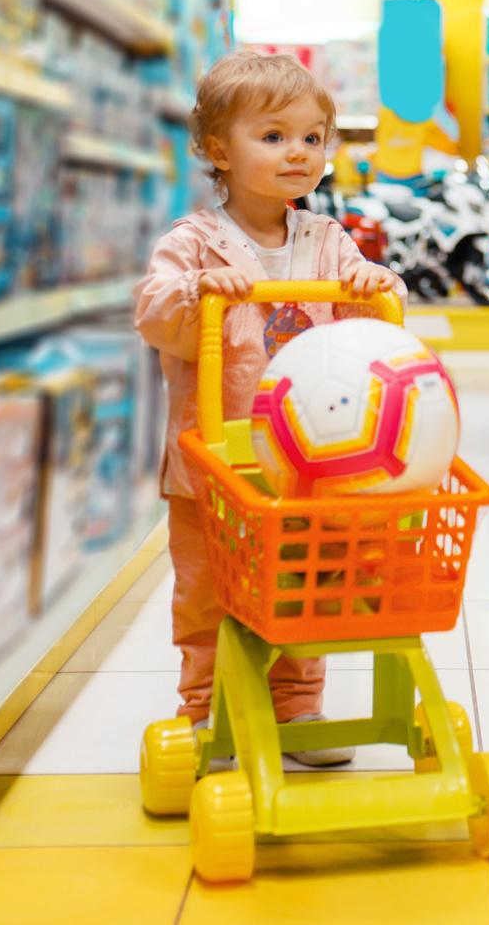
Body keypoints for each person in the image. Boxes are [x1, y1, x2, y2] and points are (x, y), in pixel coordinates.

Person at [133, 51, 402, 763]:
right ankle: (205, 708)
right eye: (275, 135)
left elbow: (365, 307)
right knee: (207, 593)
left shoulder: (326, 239)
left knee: (305, 583)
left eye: (313, 138)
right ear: (219, 149)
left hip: (308, 459)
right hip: (213, 463)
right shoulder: (192, 242)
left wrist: (371, 281)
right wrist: (198, 290)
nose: (299, 153)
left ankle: (297, 706)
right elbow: (155, 316)